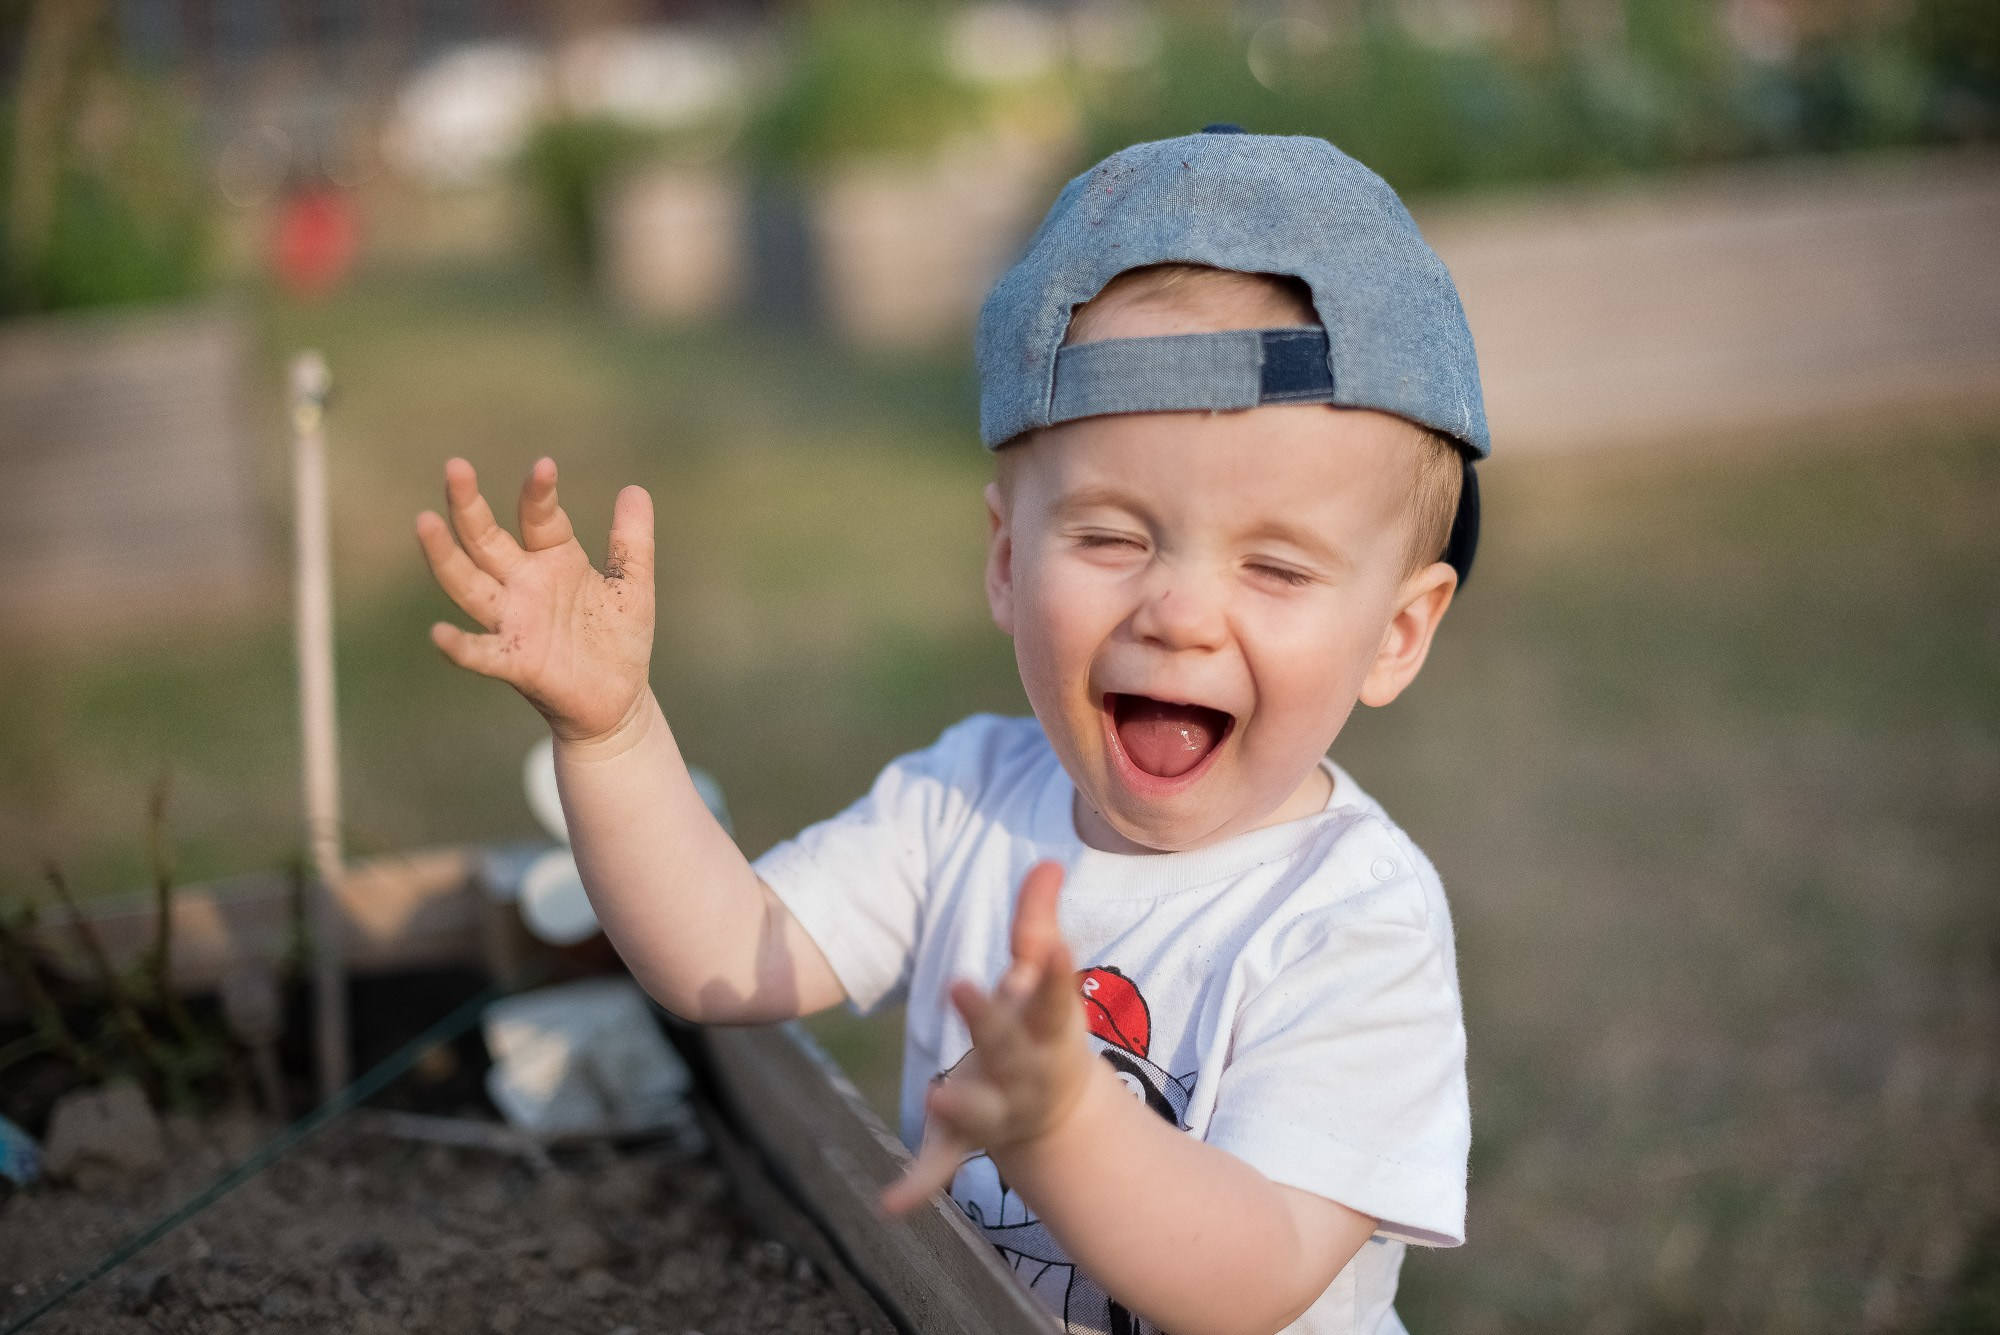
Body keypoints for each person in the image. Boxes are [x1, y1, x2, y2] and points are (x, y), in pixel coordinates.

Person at [416, 128, 1485, 1335]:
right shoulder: (963, 800)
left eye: (1276, 566)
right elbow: (723, 954)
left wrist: (1069, 1125)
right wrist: (609, 735)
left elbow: (1251, 1276)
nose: (1178, 611)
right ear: (1004, 557)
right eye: (1111, 537)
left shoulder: (1350, 922)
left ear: (1396, 633)